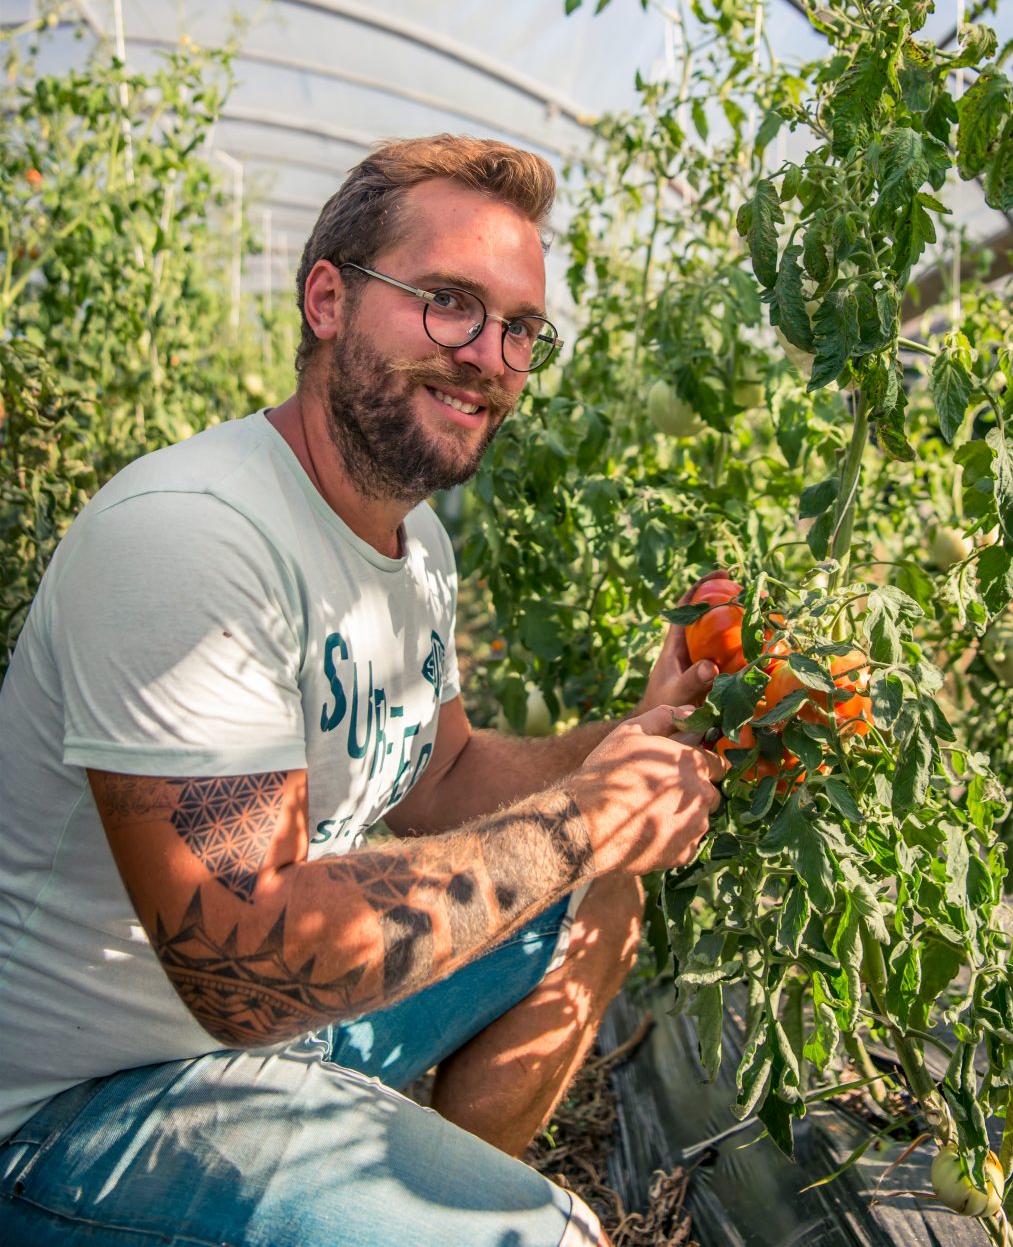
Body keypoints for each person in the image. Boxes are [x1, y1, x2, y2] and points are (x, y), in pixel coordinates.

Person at [0, 134, 724, 1247]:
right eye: (447, 301)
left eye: (519, 327)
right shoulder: (192, 537)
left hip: (273, 1038)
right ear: (328, 299)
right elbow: (239, 967)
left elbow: (445, 776)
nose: (488, 354)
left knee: (597, 890)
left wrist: (628, 741)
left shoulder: (413, 543)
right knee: (549, 1241)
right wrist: (582, 816)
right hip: (83, 1106)